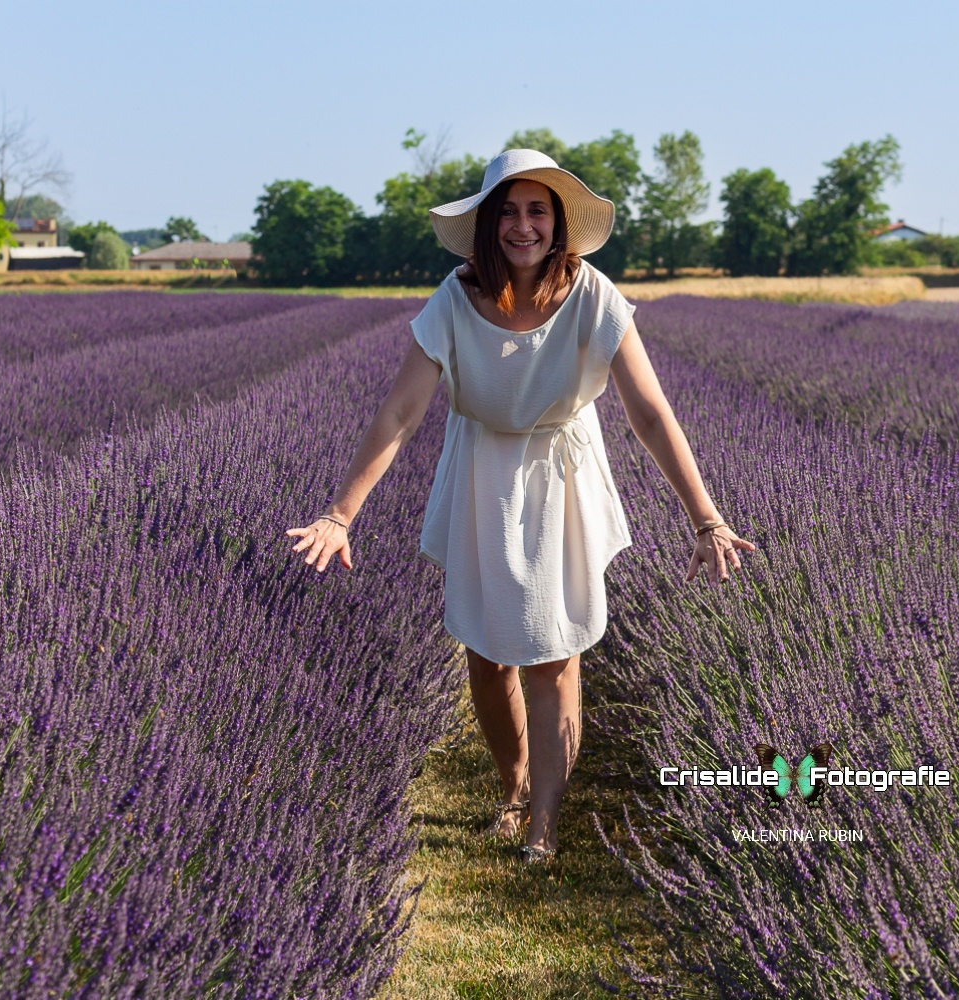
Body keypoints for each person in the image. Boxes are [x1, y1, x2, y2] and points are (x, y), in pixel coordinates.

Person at [286, 149, 755, 864]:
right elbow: (400, 411)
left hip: (560, 473)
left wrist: (706, 518)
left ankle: (544, 820)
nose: (522, 225)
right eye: (507, 210)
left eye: (537, 210)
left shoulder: (593, 294)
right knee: (486, 652)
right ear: (486, 225)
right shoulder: (456, 296)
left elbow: (650, 412)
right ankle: (513, 787)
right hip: (481, 470)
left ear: (559, 223)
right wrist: (340, 513)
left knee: (552, 652)